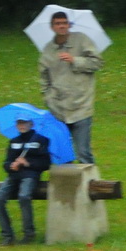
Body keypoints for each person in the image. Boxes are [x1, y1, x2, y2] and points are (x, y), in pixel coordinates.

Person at [38, 11, 103, 164]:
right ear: (52, 27)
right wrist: (48, 98)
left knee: (83, 153)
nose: (62, 26)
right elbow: (43, 77)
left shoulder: (81, 40)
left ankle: (91, 186)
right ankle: (67, 186)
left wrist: (75, 60)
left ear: (69, 25)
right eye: (58, 23)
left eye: (64, 23)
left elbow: (98, 63)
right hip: (58, 109)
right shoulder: (48, 50)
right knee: (62, 154)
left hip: (81, 106)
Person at [0, 115, 50, 245]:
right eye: (19, 123)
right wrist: (11, 166)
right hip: (14, 176)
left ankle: (29, 233)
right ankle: (7, 235)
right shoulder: (14, 141)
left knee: (24, 196)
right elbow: (6, 163)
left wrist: (27, 163)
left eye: (24, 123)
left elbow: (45, 163)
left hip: (31, 176)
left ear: (31, 124)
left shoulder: (41, 140)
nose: (21, 125)